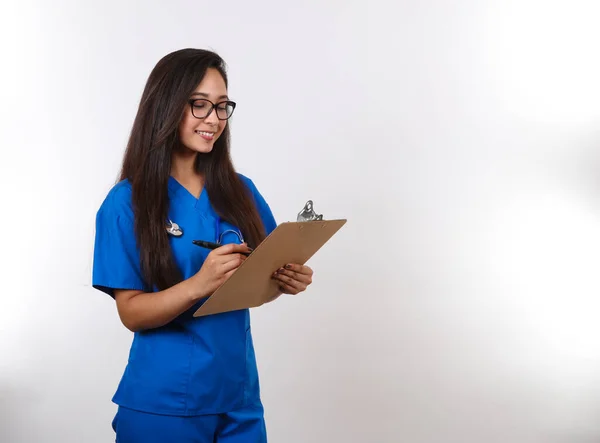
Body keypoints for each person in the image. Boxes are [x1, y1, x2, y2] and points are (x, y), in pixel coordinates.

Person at [92, 48, 314, 442]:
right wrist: (200, 283)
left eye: (222, 106)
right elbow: (131, 312)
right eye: (199, 105)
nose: (214, 119)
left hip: (238, 396)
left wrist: (284, 280)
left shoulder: (240, 190)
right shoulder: (127, 202)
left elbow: (256, 287)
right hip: (165, 403)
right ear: (166, 106)